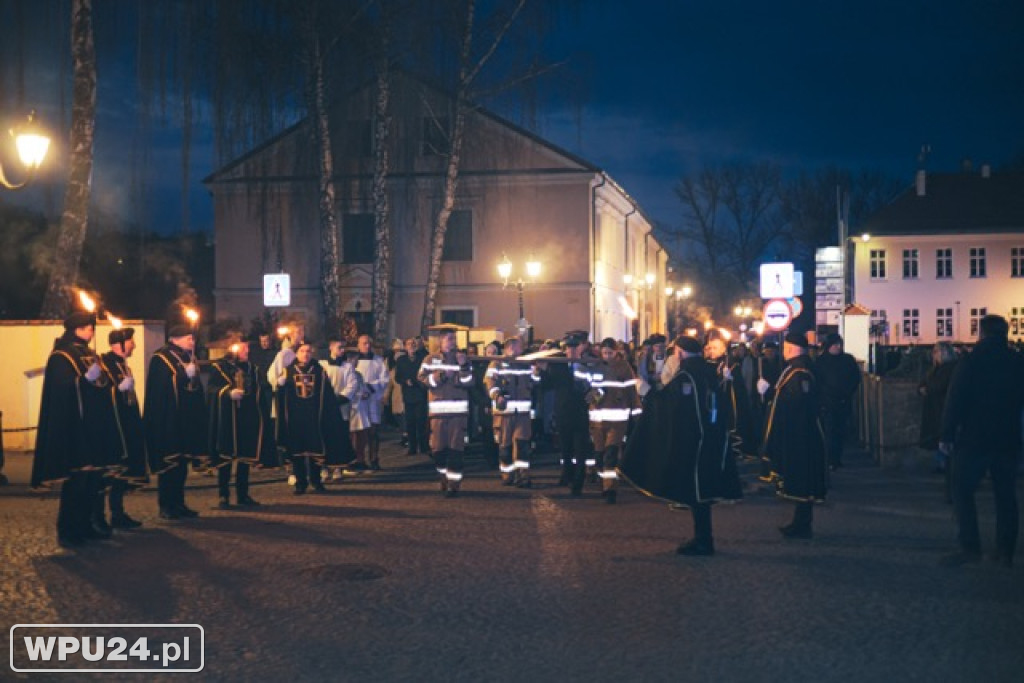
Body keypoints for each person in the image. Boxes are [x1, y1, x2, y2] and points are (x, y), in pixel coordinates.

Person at [621, 335, 742, 555]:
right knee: (700, 494)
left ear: (680, 352)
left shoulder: (687, 375)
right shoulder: (709, 371)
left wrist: (646, 391)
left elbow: (671, 405)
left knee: (697, 492)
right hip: (711, 438)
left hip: (694, 442)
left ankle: (704, 541)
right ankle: (703, 537)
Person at [939, 315, 1024, 568]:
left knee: (962, 491)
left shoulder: (971, 361)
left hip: (974, 437)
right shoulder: (1017, 362)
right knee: (1006, 495)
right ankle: (1005, 549)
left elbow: (955, 399)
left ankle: (970, 546)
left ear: (982, 334)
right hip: (1007, 437)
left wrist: (946, 434)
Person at [32, 311, 121, 546]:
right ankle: (68, 530)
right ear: (77, 330)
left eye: (92, 327)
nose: (91, 331)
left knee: (92, 482)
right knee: (76, 484)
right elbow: (62, 389)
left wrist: (104, 380)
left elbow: (102, 386)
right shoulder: (62, 356)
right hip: (75, 430)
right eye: (88, 327)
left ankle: (86, 526)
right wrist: (83, 380)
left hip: (93, 429)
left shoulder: (90, 354)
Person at [758, 331, 828, 539]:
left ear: (791, 349)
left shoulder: (801, 373)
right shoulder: (795, 370)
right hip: (797, 433)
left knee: (803, 479)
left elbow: (797, 403)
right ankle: (800, 522)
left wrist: (770, 391)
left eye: (786, 348)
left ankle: (803, 525)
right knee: (800, 479)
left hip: (801, 436)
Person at [145, 317, 208, 521]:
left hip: (186, 421)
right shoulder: (161, 357)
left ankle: (179, 503)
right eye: (189, 338)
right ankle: (166, 505)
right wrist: (182, 375)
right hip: (169, 420)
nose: (192, 341)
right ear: (176, 339)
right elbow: (162, 387)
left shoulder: (188, 356)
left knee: (182, 466)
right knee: (170, 466)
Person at [274, 339, 352, 494]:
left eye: (308, 351)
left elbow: (327, 395)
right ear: (296, 353)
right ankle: (300, 483)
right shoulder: (288, 371)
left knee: (315, 452)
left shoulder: (319, 371)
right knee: (297, 453)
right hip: (296, 419)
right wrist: (280, 386)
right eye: (302, 351)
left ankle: (316, 481)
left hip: (314, 418)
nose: (305, 354)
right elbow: (280, 397)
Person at [207, 339, 276, 508]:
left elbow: (260, 389)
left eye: (247, 348)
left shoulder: (252, 369)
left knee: (245, 459)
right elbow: (211, 390)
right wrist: (227, 393)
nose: (247, 352)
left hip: (247, 418)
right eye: (243, 348)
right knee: (226, 459)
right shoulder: (219, 368)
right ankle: (223, 495)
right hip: (228, 419)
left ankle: (243, 494)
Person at [99, 326, 147, 529]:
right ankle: (100, 516)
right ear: (119, 344)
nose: (134, 345)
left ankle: (118, 514)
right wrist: (116, 390)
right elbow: (100, 395)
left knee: (122, 475)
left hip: (126, 427)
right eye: (130, 341)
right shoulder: (104, 365)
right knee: (108, 476)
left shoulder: (124, 366)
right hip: (111, 429)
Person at [418, 330, 474, 497]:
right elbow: (422, 379)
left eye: (454, 339)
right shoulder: (430, 359)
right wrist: (441, 375)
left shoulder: (463, 359)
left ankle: (454, 484)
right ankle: (442, 476)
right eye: (449, 339)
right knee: (438, 450)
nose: (453, 342)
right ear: (441, 341)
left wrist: (463, 366)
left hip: (458, 414)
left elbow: (470, 382)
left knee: (456, 450)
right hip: (438, 414)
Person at [585, 337, 642, 503]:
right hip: (597, 418)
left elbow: (632, 391)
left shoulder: (624, 368)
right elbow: (589, 390)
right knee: (600, 453)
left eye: (610, 353)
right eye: (604, 353)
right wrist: (592, 397)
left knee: (611, 454)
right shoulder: (596, 367)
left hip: (617, 419)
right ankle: (604, 484)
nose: (607, 356)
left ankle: (610, 489)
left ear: (616, 352)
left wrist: (637, 411)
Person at [540, 330, 595, 495]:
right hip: (563, 412)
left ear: (580, 348)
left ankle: (578, 482)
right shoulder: (558, 364)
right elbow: (546, 386)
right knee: (566, 449)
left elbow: (595, 387)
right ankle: (567, 476)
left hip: (580, 413)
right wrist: (542, 371)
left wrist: (594, 399)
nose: (571, 350)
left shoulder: (587, 364)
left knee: (580, 449)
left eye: (574, 347)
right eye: (568, 348)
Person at [484, 336, 540, 487]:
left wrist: (536, 373)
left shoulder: (526, 364)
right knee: (505, 446)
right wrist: (497, 396)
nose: (522, 349)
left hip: (522, 413)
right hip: (504, 414)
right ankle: (507, 474)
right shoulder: (496, 364)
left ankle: (523, 476)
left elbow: (535, 384)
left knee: (522, 445)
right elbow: (489, 383)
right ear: (511, 348)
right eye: (520, 346)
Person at [814, 333, 862, 469]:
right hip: (827, 403)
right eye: (835, 344)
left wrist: (847, 392)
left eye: (839, 344)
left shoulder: (847, 360)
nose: (838, 347)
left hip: (843, 401)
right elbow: (817, 382)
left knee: (840, 431)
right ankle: (829, 459)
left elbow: (855, 378)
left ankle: (836, 458)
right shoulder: (821, 361)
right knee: (829, 431)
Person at [918, 342, 957, 499]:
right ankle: (942, 465)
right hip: (935, 408)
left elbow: (937, 385)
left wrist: (927, 388)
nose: (934, 355)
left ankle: (946, 470)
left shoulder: (948, 369)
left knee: (944, 439)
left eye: (936, 352)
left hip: (941, 408)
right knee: (940, 439)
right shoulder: (936, 369)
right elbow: (925, 382)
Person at [353, 335, 390, 470]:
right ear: (358, 345)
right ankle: (359, 459)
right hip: (358, 400)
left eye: (369, 343)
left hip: (373, 399)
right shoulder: (353, 361)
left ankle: (374, 459)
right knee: (359, 433)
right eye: (364, 343)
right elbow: (351, 378)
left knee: (373, 432)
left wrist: (370, 388)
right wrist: (360, 391)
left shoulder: (378, 361)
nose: (367, 346)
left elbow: (385, 379)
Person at [395, 337, 429, 456]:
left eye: (413, 344)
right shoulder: (401, 360)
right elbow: (397, 377)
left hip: (420, 393)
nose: (412, 346)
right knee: (410, 422)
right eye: (409, 344)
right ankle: (412, 447)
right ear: (405, 347)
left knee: (421, 421)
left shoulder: (422, 359)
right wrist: (405, 381)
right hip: (408, 394)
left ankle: (423, 446)